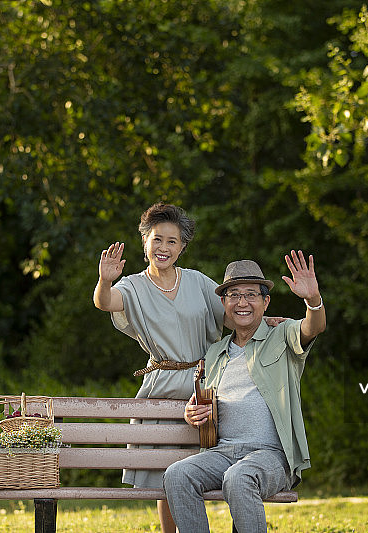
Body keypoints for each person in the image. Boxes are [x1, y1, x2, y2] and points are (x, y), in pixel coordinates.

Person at [93, 203, 286, 533]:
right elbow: (105, 302)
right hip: (163, 386)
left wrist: (263, 320)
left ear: (182, 247)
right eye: (157, 239)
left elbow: (234, 315)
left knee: (218, 467)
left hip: (206, 383)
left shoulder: (197, 281)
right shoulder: (133, 286)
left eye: (172, 241)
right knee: (168, 472)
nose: (163, 248)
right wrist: (104, 280)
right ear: (145, 242)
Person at [163, 252, 326, 533]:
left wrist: (313, 300)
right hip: (223, 452)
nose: (242, 302)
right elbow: (206, 403)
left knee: (238, 478)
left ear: (265, 302)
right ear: (224, 303)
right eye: (234, 295)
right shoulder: (214, 353)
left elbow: (314, 327)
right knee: (178, 474)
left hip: (271, 455)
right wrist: (193, 413)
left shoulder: (282, 335)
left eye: (251, 294)